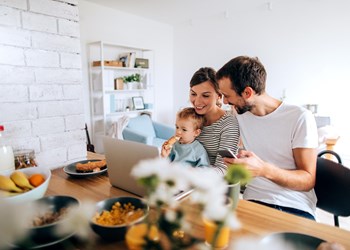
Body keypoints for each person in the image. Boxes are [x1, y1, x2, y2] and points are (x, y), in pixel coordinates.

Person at [216, 56, 319, 220]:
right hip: (253, 201)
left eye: (227, 95)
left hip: (293, 205)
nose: (225, 101)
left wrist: (263, 169)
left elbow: (308, 180)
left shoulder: (299, 117)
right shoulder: (239, 114)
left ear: (247, 92)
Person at [189, 67, 240, 174]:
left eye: (205, 95)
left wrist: (188, 172)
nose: (197, 102)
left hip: (212, 184)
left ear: (219, 96)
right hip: (185, 181)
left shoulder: (229, 123)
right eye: (193, 94)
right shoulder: (189, 117)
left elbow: (223, 170)